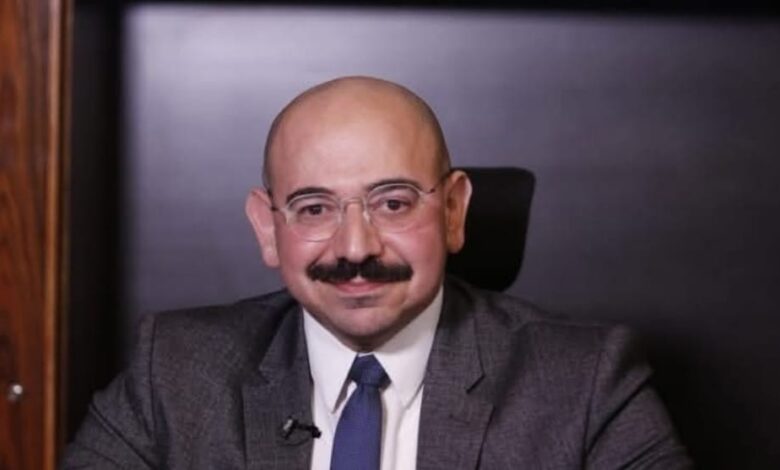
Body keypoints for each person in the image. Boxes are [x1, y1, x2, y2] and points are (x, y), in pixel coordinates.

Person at [62, 76, 691, 469]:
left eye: (393, 203)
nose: (356, 247)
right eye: (314, 208)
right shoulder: (175, 372)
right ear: (267, 228)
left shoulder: (584, 383)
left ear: (453, 210)